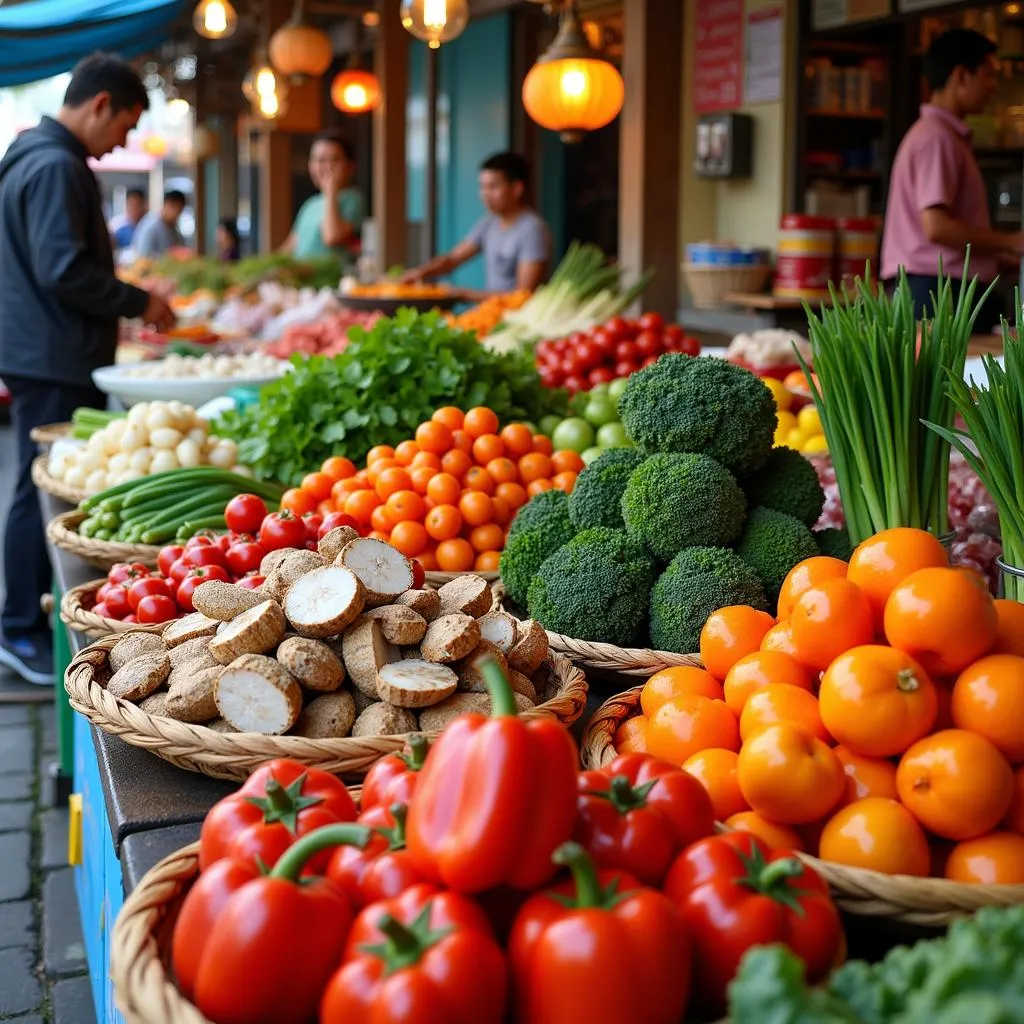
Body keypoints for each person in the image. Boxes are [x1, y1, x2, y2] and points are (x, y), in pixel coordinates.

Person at [0, 53, 174, 685]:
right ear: (100, 105)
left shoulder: (36, 157)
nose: (119, 144)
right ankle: (19, 629)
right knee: (35, 490)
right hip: (52, 355)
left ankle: (24, 619)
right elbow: (62, 270)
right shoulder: (53, 165)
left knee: (34, 484)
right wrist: (139, 301)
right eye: (124, 127)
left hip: (39, 350)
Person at [880, 29, 1020, 326]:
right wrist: (1009, 242)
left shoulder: (941, 135)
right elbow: (937, 227)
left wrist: (995, 256)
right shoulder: (937, 137)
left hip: (938, 287)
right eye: (987, 75)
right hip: (939, 292)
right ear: (960, 76)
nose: (993, 86)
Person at [402, 152, 551, 293]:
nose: (485, 194)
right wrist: (420, 273)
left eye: (493, 187)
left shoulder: (532, 230)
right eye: (482, 187)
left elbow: (522, 294)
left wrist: (462, 294)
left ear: (517, 189)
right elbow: (453, 259)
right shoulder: (489, 222)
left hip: (518, 318)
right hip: (491, 313)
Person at [281, 130, 363, 263]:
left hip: (331, 280)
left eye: (334, 160)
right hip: (303, 279)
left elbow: (332, 237)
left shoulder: (353, 199)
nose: (327, 167)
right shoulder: (310, 204)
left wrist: (331, 191)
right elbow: (291, 246)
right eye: (320, 160)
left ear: (350, 167)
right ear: (310, 166)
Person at [132, 190, 187, 258]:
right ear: (167, 204)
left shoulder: (174, 229)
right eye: (174, 208)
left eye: (180, 210)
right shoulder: (151, 226)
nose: (176, 214)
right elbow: (143, 255)